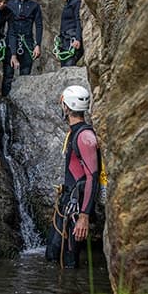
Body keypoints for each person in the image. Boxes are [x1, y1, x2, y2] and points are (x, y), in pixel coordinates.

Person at [46, 84, 99, 268]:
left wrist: (84, 216)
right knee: (52, 256)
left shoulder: (85, 137)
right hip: (67, 202)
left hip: (76, 209)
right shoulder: (75, 133)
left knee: (68, 263)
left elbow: (92, 176)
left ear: (67, 107)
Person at [2, 0, 43, 96]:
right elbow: (1, 22)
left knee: (25, 75)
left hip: (27, 43)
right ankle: (5, 100)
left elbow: (39, 25)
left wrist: (38, 44)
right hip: (11, 42)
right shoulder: (9, 4)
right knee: (8, 75)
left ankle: (21, 101)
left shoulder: (34, 6)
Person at [53, 0, 84, 66]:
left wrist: (78, 39)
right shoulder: (69, 4)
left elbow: (78, 21)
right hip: (65, 40)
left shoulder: (76, 3)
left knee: (68, 66)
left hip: (72, 40)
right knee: (65, 66)